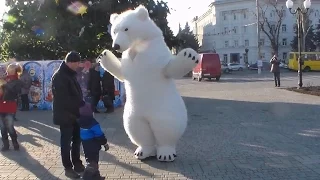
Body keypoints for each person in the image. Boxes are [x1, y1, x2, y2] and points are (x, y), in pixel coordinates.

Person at [52, 51, 85, 178]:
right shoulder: (60, 76)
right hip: (65, 115)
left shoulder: (70, 74)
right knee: (66, 143)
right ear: (70, 62)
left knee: (77, 140)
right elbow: (63, 99)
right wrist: (79, 105)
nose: (78, 65)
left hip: (75, 114)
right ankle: (68, 168)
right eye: (77, 63)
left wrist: (82, 105)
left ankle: (77, 163)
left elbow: (75, 93)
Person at [78, 101, 108, 180]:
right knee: (93, 163)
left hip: (85, 144)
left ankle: (96, 177)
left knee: (91, 160)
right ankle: (85, 177)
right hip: (94, 144)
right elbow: (99, 134)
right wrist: (104, 143)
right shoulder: (93, 123)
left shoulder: (78, 121)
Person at [0, 63, 24, 151]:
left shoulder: (18, 81)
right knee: (2, 127)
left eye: (10, 69)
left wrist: (6, 84)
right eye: (8, 68)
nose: (8, 70)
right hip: (1, 105)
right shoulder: (4, 78)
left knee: (9, 126)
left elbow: (15, 92)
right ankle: (5, 145)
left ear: (15, 70)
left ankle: (15, 142)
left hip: (10, 106)